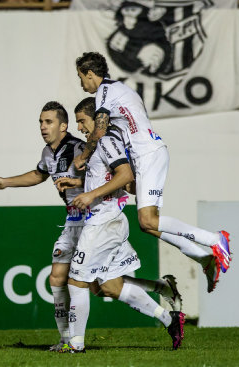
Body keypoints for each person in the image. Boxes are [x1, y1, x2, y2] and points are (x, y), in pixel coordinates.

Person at [0, 101, 182, 352]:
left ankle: (78, 342)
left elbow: (112, 176)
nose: (43, 127)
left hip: (98, 220)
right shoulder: (48, 153)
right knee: (60, 277)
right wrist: (5, 182)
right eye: (41, 122)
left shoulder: (81, 148)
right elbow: (38, 174)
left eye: (49, 122)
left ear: (63, 125)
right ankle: (67, 339)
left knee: (102, 286)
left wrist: (81, 184)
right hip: (74, 222)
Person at [72, 52, 230, 292]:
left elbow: (100, 128)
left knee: (148, 219)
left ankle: (215, 240)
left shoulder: (105, 90)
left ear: (90, 74)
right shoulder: (119, 91)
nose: (81, 83)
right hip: (145, 155)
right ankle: (204, 258)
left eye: (81, 77)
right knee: (148, 225)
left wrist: (83, 157)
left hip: (148, 154)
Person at [54, 97, 185, 353]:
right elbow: (111, 179)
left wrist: (90, 195)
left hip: (105, 223)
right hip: (108, 221)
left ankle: (75, 344)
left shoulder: (106, 141)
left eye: (82, 121)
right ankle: (170, 320)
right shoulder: (96, 146)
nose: (79, 127)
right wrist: (79, 185)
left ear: (96, 119)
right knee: (110, 287)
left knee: (76, 281)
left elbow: (125, 176)